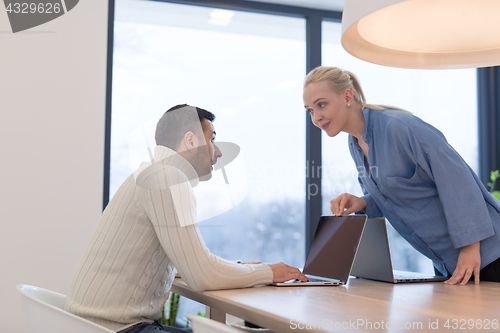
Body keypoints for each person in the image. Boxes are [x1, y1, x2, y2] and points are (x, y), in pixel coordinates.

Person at [65, 104, 307, 333]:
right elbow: (201, 275)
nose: (219, 151)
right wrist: (269, 272)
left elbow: (190, 264)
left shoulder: (151, 172)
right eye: (212, 139)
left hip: (93, 325)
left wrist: (240, 268)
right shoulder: (167, 177)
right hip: (118, 328)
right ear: (191, 141)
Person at [302, 66, 500, 285]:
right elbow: (390, 199)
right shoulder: (355, 145)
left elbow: (457, 180)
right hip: (449, 264)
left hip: (487, 254)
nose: (316, 117)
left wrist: (471, 247)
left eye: (322, 105)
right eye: (310, 110)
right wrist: (362, 202)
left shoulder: (400, 127)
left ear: (348, 96)